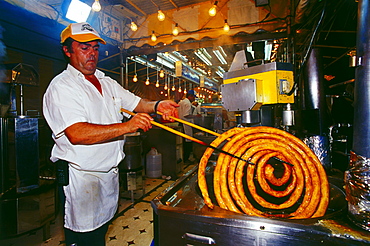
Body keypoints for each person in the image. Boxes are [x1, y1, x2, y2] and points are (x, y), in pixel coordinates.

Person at [42, 22, 178, 246]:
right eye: (84, 48)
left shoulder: (107, 82)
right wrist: (127, 127)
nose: (92, 54)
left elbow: (137, 103)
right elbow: (77, 133)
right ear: (67, 50)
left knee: (100, 236)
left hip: (108, 178)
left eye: (95, 48)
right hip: (81, 179)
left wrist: (158, 105)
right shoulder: (62, 87)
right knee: (84, 239)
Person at [178, 89, 200, 163]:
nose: (194, 98)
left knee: (183, 143)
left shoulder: (182, 102)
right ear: (190, 96)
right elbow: (186, 115)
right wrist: (196, 116)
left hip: (181, 124)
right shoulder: (187, 103)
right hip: (185, 125)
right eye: (193, 97)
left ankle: (184, 159)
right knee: (187, 143)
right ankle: (186, 159)